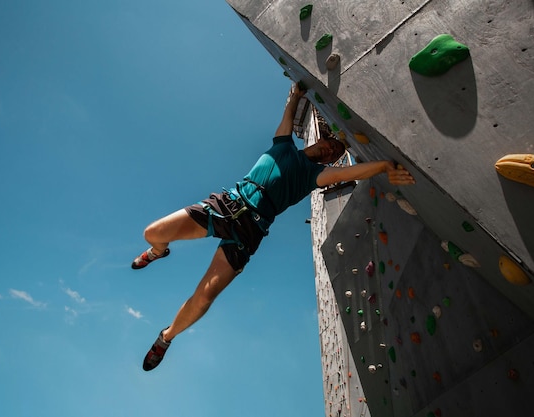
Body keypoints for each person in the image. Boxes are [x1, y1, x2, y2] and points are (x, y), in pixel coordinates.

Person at [132, 83, 415, 371]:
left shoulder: (314, 176)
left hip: (249, 232)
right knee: (152, 234)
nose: (329, 149)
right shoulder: (282, 144)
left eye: (333, 153)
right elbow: (288, 116)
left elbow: (351, 171)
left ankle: (166, 337)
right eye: (329, 144)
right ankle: (157, 252)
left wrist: (384, 166)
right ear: (316, 142)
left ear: (329, 160)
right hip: (228, 204)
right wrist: (296, 94)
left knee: (205, 297)